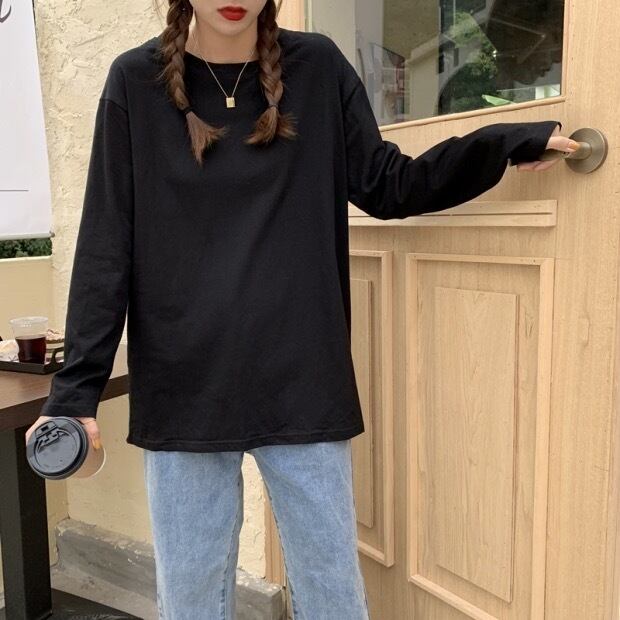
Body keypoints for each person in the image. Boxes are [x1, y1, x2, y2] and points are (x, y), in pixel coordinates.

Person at [25, 0, 577, 618]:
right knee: (190, 598)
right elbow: (106, 243)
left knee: (332, 593)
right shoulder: (135, 81)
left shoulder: (317, 67)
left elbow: (390, 184)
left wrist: (502, 142)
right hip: (185, 380)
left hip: (302, 373)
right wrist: (74, 393)